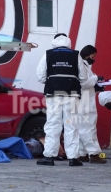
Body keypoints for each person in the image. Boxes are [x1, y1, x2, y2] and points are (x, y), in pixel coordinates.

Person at [36, 33, 88, 166]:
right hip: (72, 94)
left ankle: (49, 156)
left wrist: (52, 81)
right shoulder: (76, 55)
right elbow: (83, 77)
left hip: (53, 93)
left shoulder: (48, 54)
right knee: (71, 125)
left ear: (54, 42)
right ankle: (73, 158)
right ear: (68, 42)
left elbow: (40, 75)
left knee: (53, 124)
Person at [77, 45, 106, 164]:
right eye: (93, 56)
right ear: (87, 55)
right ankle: (93, 153)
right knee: (87, 128)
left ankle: (82, 153)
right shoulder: (82, 66)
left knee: (84, 128)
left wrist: (97, 87)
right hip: (84, 102)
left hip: (87, 100)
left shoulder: (86, 66)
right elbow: (83, 83)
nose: (93, 59)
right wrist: (96, 79)